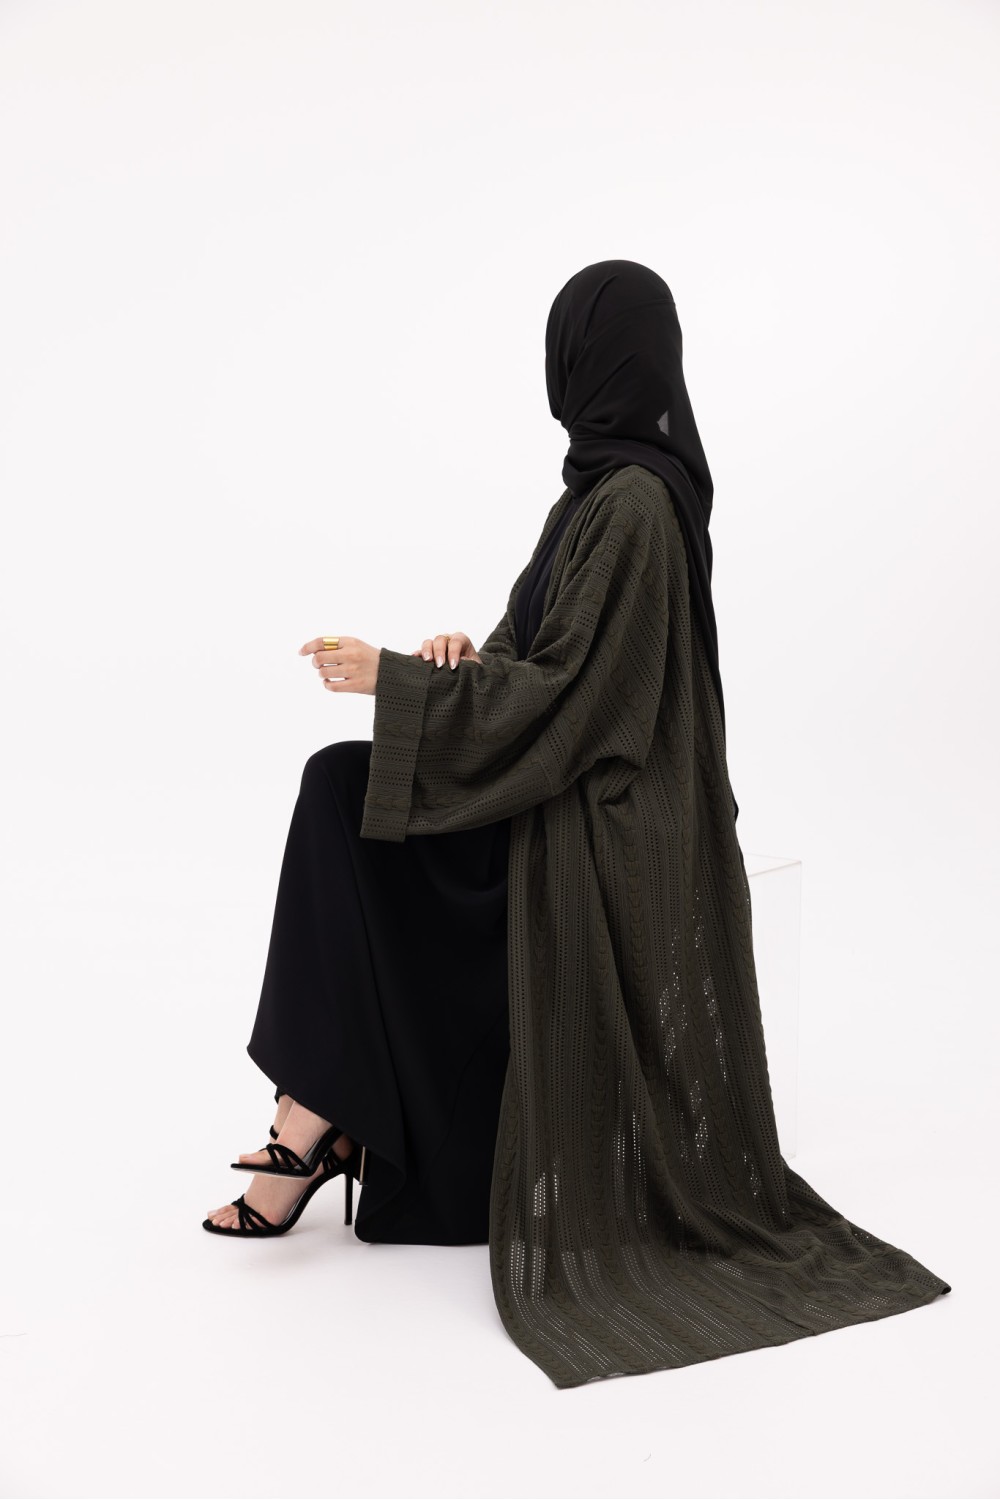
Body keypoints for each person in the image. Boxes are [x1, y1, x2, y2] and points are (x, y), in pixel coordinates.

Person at [203, 260, 951, 1389]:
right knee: (342, 793)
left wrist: (396, 682)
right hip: (556, 777)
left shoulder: (636, 505)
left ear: (590, 364)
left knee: (343, 792)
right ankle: (319, 1111)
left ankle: (312, 1123)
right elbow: (535, 661)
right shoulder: (592, 497)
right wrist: (460, 660)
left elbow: (576, 705)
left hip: (605, 819)